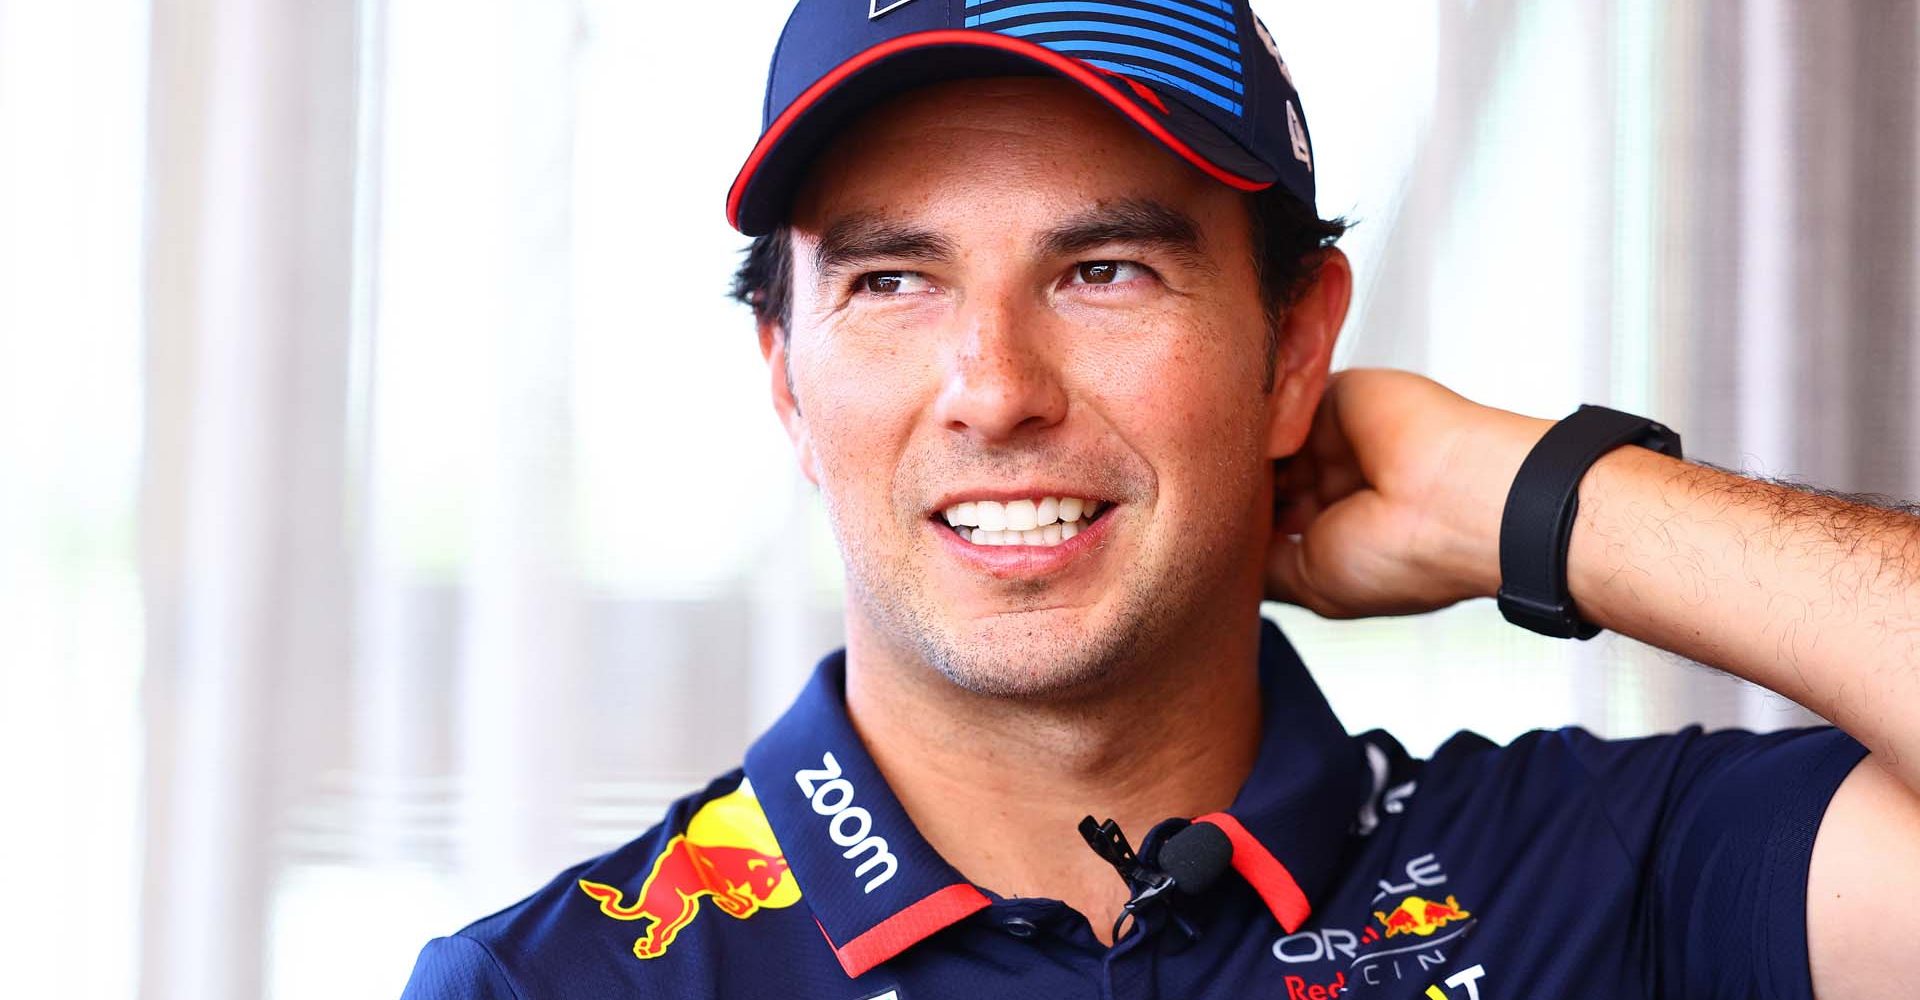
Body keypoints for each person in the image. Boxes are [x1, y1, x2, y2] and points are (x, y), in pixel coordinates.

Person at [401, 1, 1920, 997]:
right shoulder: (560, 985)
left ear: (1294, 348)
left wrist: (1529, 499)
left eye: (1103, 270)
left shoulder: (1600, 879)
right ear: (788, 380)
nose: (994, 387)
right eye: (891, 280)